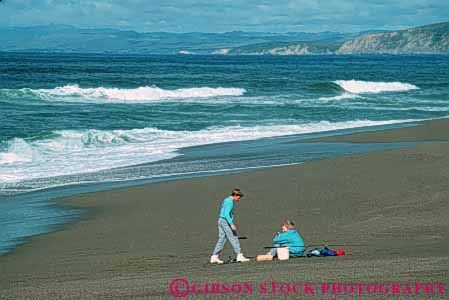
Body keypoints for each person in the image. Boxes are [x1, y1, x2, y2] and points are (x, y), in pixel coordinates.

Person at [210, 189, 250, 264]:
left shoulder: (226, 199)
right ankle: (239, 255)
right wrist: (231, 224)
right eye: (239, 197)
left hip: (221, 220)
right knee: (233, 237)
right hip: (225, 221)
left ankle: (214, 256)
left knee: (222, 239)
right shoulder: (229, 202)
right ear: (235, 195)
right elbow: (226, 214)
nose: (239, 199)